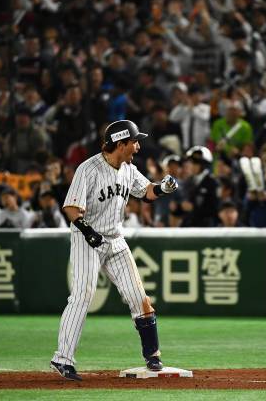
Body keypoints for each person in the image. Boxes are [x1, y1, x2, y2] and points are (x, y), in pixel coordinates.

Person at [50, 120, 178, 381]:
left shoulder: (128, 169)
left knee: (139, 297)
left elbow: (147, 192)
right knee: (83, 295)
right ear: (120, 144)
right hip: (87, 238)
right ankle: (62, 359)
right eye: (134, 141)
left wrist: (163, 188)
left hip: (115, 239)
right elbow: (71, 208)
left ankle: (152, 355)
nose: (138, 146)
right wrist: (89, 232)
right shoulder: (89, 169)